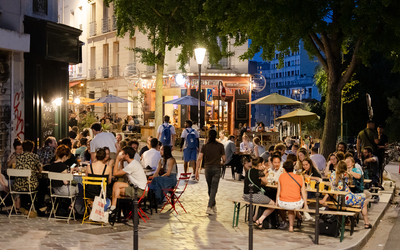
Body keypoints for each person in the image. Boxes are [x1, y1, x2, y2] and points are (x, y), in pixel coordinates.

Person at [320, 160, 371, 229]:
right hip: (347, 198)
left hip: (338, 199)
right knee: (364, 199)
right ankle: (365, 222)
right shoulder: (345, 174)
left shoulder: (332, 175)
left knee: (362, 201)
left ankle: (354, 218)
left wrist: (324, 199)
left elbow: (332, 188)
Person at [109, 147, 147, 219]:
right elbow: (122, 171)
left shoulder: (132, 165)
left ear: (127, 155)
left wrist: (117, 160)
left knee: (117, 189)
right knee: (116, 185)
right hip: (138, 187)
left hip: (139, 191)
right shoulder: (134, 163)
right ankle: (118, 211)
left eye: (123, 154)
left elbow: (115, 173)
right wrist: (122, 162)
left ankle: (114, 208)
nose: (121, 155)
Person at [195, 130, 226, 215]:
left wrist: (196, 171)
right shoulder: (220, 146)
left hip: (207, 168)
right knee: (214, 188)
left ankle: (213, 205)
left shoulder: (205, 146)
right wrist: (222, 162)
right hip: (216, 168)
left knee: (210, 188)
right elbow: (224, 159)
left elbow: (199, 158)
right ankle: (209, 207)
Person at [277, 160, 309, 232]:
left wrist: (277, 201)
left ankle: (293, 219)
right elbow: (303, 192)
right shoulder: (300, 177)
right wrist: (305, 205)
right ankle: (291, 226)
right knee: (293, 204)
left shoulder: (281, 176)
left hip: (283, 203)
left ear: (284, 169)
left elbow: (278, 190)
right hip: (296, 203)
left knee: (290, 205)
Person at [243, 157, 275, 228]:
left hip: (245, 196)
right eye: (263, 163)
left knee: (260, 200)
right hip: (254, 196)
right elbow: (265, 183)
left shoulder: (249, 171)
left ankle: (254, 217)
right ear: (260, 164)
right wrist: (265, 171)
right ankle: (260, 220)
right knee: (273, 204)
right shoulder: (259, 172)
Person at [13, 140, 41, 211]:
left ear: (23, 148)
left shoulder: (18, 157)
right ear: (32, 149)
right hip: (30, 185)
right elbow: (40, 169)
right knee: (41, 186)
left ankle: (24, 205)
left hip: (18, 185)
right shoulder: (34, 156)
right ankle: (36, 207)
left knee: (24, 183)